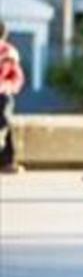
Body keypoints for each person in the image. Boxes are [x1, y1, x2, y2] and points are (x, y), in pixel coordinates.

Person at [0, 21, 25, 174]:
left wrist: (6, 87)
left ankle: (7, 161)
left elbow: (17, 78)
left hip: (2, 94)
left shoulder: (9, 52)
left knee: (4, 118)